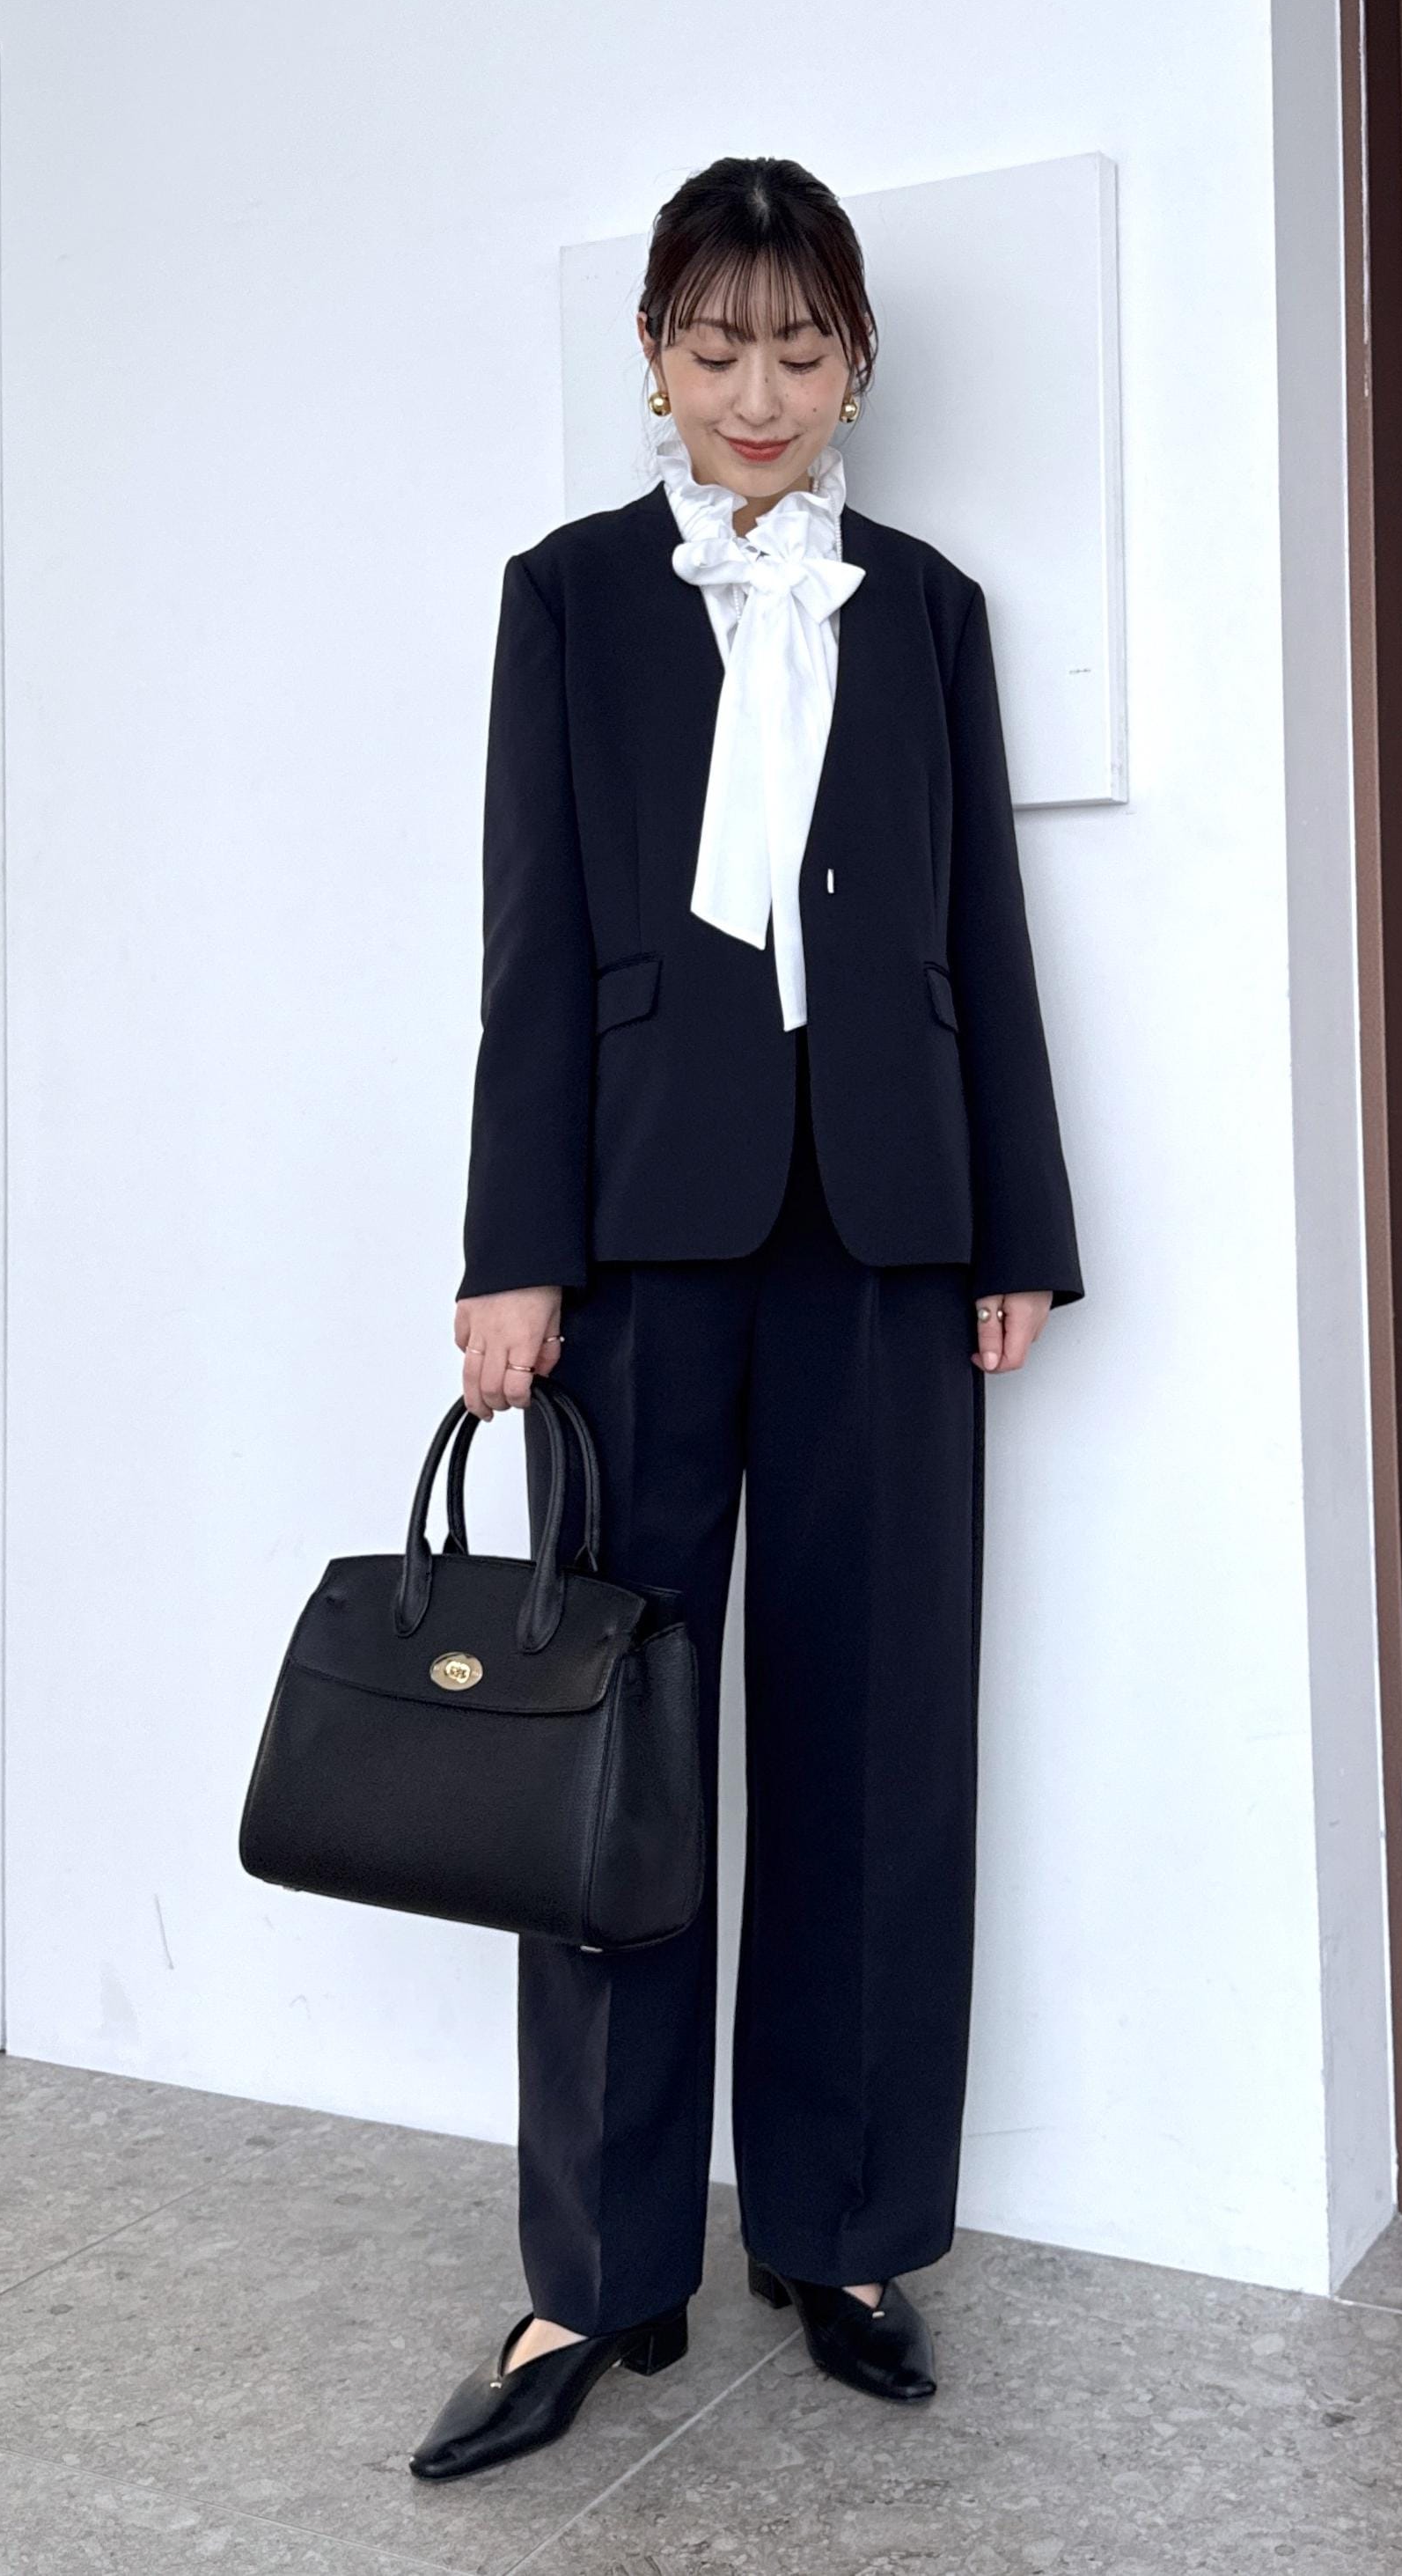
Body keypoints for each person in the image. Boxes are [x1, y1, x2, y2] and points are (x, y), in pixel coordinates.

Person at [410, 153, 1083, 2483]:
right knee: (611, 1760)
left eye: (801, 350)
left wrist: (1015, 1228)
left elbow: (980, 929)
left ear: (857, 360)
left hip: (890, 1231)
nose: (761, 393)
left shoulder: (930, 609)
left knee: (879, 1738)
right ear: (656, 360)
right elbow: (525, 944)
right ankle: (594, 2273)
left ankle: (848, 2230)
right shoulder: (570, 600)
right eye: (719, 350)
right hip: (634, 1239)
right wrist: (512, 1251)